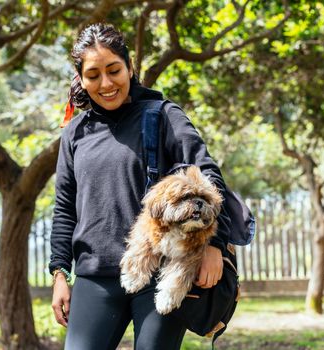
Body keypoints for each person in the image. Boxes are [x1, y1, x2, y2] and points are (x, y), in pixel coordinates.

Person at [48, 23, 230, 350]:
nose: (105, 83)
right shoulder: (75, 133)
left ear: (129, 67)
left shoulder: (163, 115)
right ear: (81, 78)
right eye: (93, 74)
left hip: (162, 267)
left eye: (114, 70)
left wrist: (215, 244)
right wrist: (60, 273)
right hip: (95, 274)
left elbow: (208, 174)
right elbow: (64, 208)